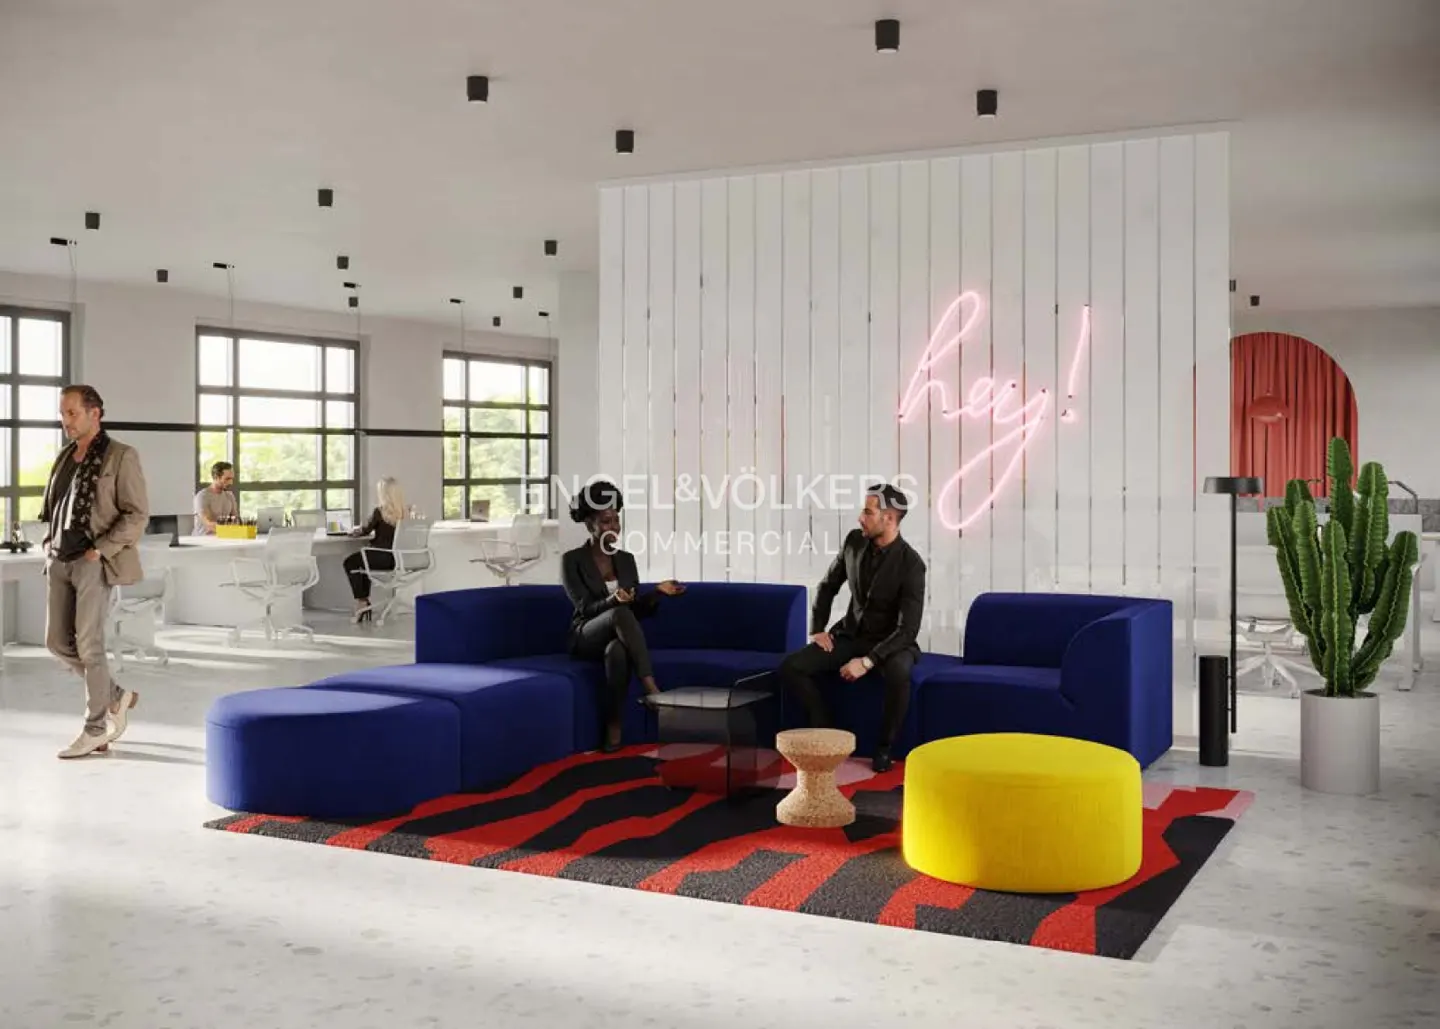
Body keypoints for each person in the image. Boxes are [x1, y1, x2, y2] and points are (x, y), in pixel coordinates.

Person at [777, 482, 926, 772]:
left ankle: (884, 747)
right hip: (851, 634)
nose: (861, 518)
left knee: (899, 672)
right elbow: (828, 585)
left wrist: (868, 662)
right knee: (791, 667)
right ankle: (826, 728)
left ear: (890, 519)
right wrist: (818, 627)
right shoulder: (854, 542)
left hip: (891, 642)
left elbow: (908, 629)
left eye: (868, 512)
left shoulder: (912, 564)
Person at [41, 385, 150, 759]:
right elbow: (55, 506)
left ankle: (95, 728)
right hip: (59, 560)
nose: (65, 420)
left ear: (95, 413)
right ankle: (116, 696)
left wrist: (99, 551)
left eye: (71, 413)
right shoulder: (65, 456)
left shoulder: (121, 456)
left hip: (93, 562)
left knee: (89, 646)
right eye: (62, 413)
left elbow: (136, 514)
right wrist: (48, 545)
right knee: (56, 642)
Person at [561, 479, 685, 752]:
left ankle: (613, 728)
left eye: (617, 520)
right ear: (590, 524)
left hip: (616, 632)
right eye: (606, 521)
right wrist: (613, 600)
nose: (614, 528)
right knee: (618, 613)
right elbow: (585, 608)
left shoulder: (626, 559)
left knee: (617, 651)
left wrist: (658, 593)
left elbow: (635, 610)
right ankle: (651, 688)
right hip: (585, 635)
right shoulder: (572, 560)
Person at [343, 476, 406, 623]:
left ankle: (362, 601)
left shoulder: (379, 512)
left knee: (350, 563)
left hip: (381, 557)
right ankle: (364, 601)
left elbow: (365, 531)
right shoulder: (405, 513)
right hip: (398, 559)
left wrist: (354, 531)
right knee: (362, 563)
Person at [192, 460, 237, 535]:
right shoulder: (202, 496)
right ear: (216, 477)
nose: (231, 482)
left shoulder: (229, 496)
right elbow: (209, 524)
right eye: (227, 479)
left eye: (232, 479)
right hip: (202, 540)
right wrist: (233, 530)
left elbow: (235, 520)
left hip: (223, 538)